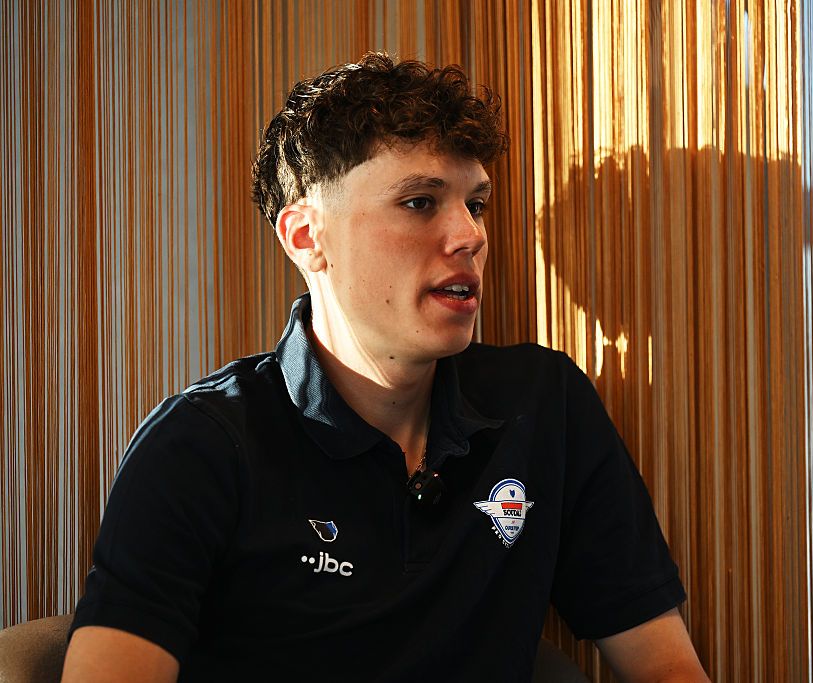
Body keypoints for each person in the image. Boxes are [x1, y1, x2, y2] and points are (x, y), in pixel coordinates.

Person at [62, 53, 709, 682]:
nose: (470, 235)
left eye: (475, 204)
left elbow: (666, 666)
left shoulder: (544, 403)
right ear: (306, 237)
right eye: (421, 202)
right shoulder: (200, 443)